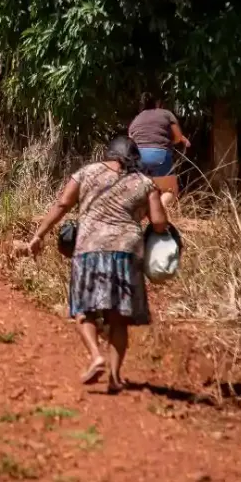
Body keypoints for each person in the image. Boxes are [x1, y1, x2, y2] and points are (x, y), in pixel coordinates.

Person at [24, 136, 168, 393]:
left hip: (90, 249)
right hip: (126, 253)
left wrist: (39, 235)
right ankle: (114, 376)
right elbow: (158, 223)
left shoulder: (86, 173)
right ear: (134, 158)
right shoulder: (145, 183)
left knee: (84, 310)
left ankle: (95, 355)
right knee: (118, 319)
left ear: (108, 154)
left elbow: (62, 204)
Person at [128, 95, 189, 207]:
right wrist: (170, 143)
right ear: (157, 103)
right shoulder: (166, 113)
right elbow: (178, 137)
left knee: (144, 188)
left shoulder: (136, 119)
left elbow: (130, 141)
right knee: (170, 189)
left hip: (139, 158)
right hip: (159, 154)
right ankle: (160, 207)